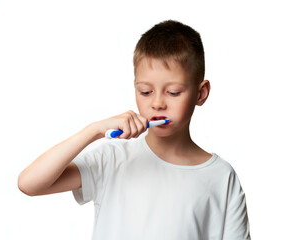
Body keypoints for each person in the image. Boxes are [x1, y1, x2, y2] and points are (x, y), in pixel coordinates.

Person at [18, 20, 251, 240]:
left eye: (173, 92)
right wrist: (94, 130)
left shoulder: (222, 177)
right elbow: (29, 183)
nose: (157, 103)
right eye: (146, 92)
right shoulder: (112, 159)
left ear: (200, 93)